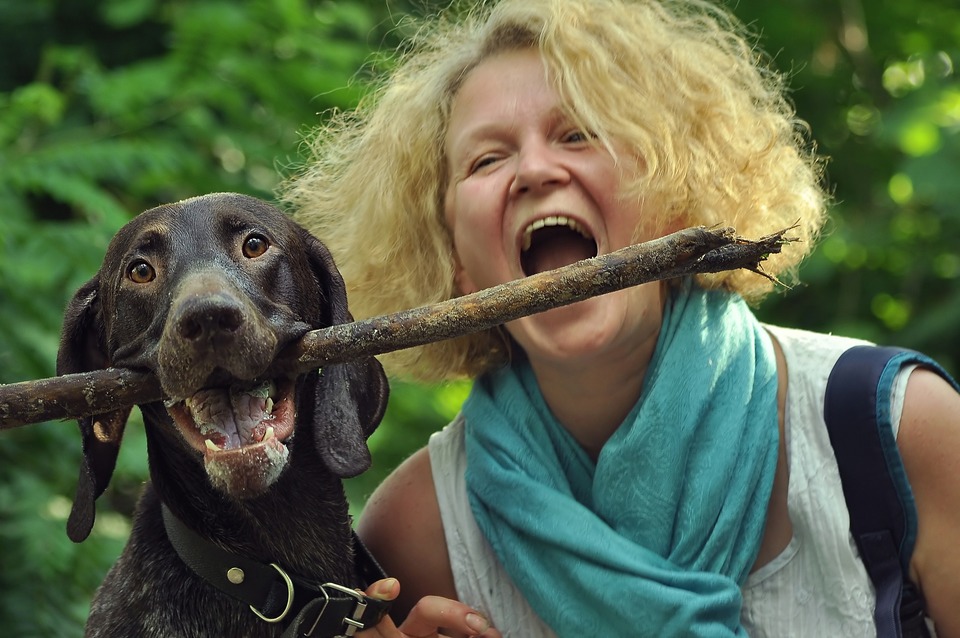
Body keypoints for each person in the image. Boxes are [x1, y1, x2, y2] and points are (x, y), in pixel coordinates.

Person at [280, 0, 960, 635]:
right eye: (487, 159)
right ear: (456, 264)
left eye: (578, 134)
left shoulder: (902, 431)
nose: (535, 170)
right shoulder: (413, 534)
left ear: (673, 197)